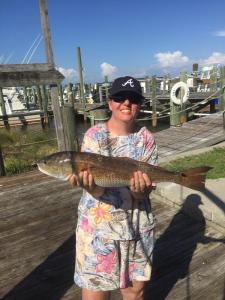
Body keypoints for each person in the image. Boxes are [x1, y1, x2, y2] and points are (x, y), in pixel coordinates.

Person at [69, 76, 158, 300]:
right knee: (95, 289)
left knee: (134, 291)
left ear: (140, 104)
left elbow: (142, 193)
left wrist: (140, 190)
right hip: (98, 229)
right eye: (120, 97)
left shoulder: (146, 139)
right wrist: (91, 187)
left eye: (133, 99)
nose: (126, 103)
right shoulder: (93, 136)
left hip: (136, 226)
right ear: (110, 103)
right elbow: (98, 191)